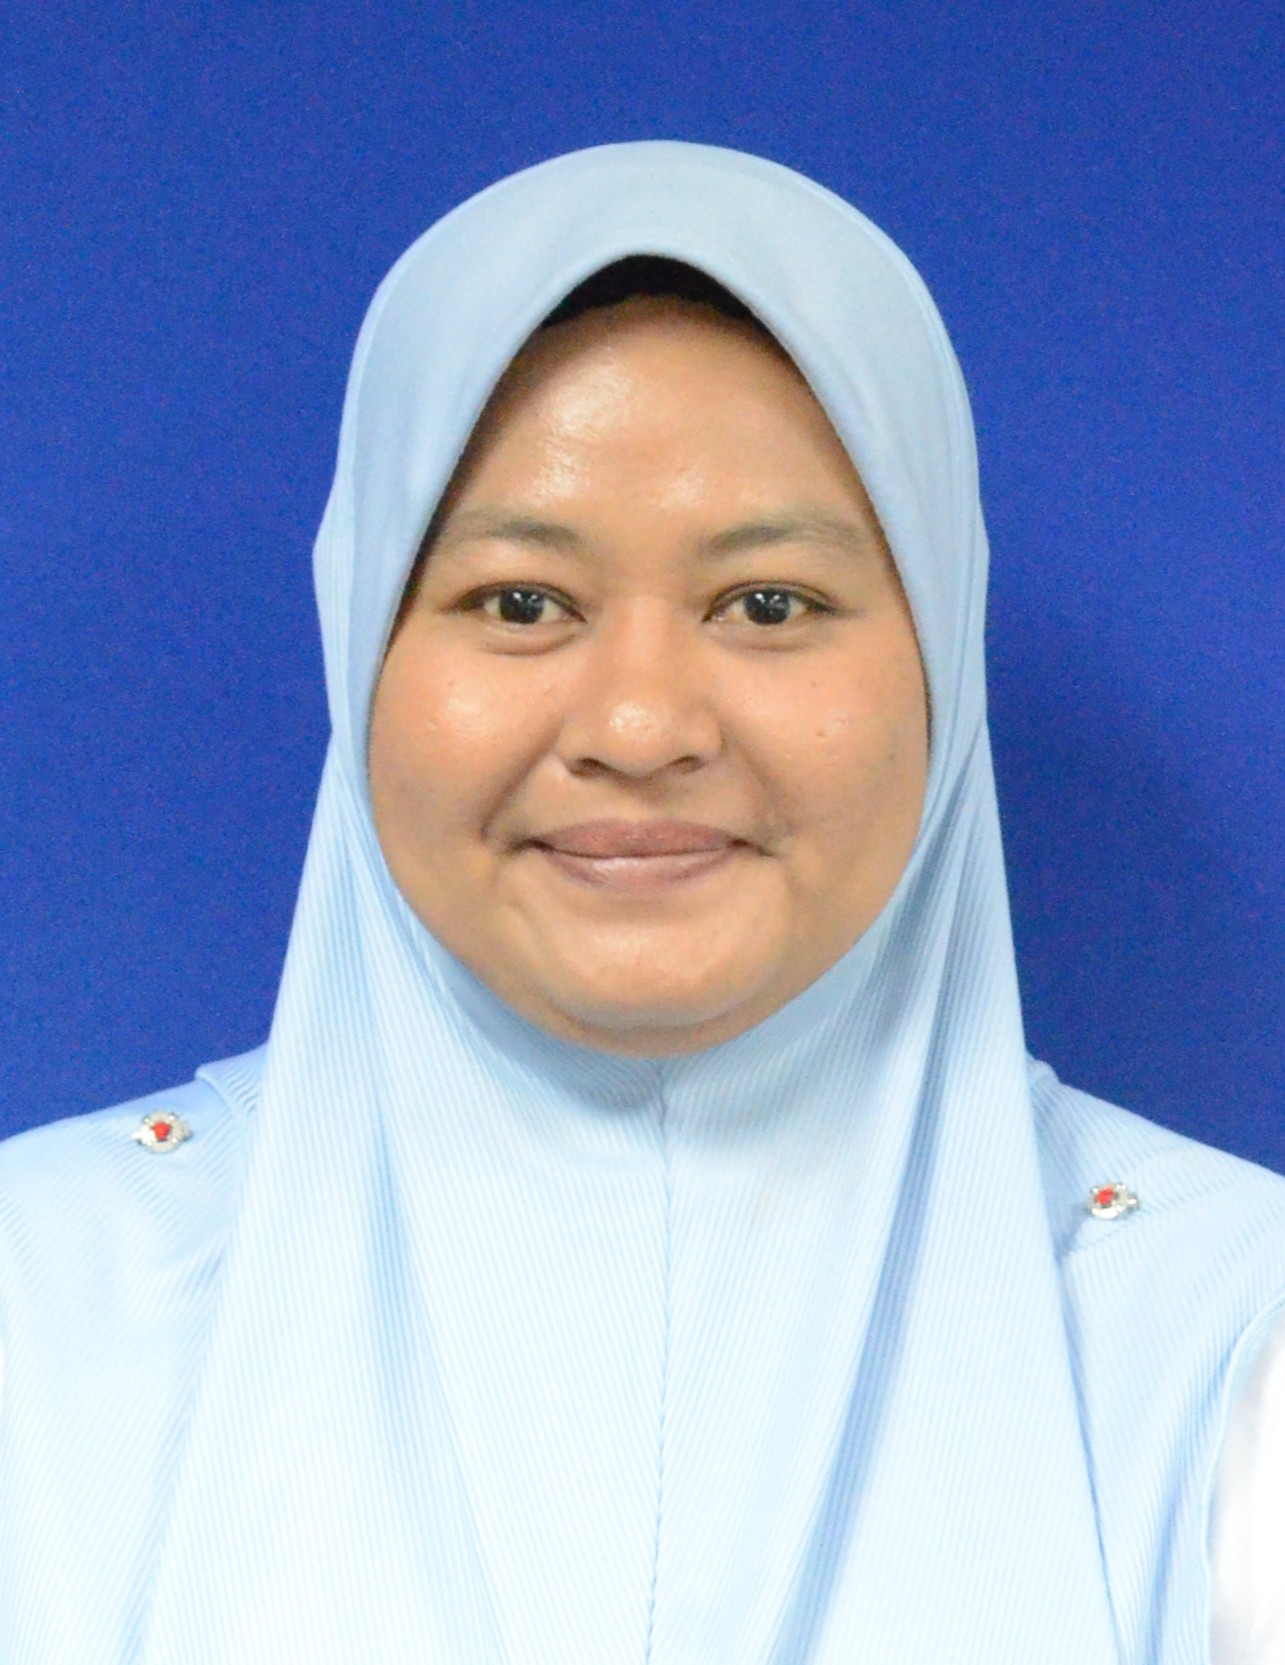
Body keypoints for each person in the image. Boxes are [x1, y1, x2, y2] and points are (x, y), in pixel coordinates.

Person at [0, 140, 1281, 1663]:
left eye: (768, 605)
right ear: (361, 647)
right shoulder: (40, 1304)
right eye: (520, 602)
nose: (640, 723)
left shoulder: (1230, 1335)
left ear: (942, 653)